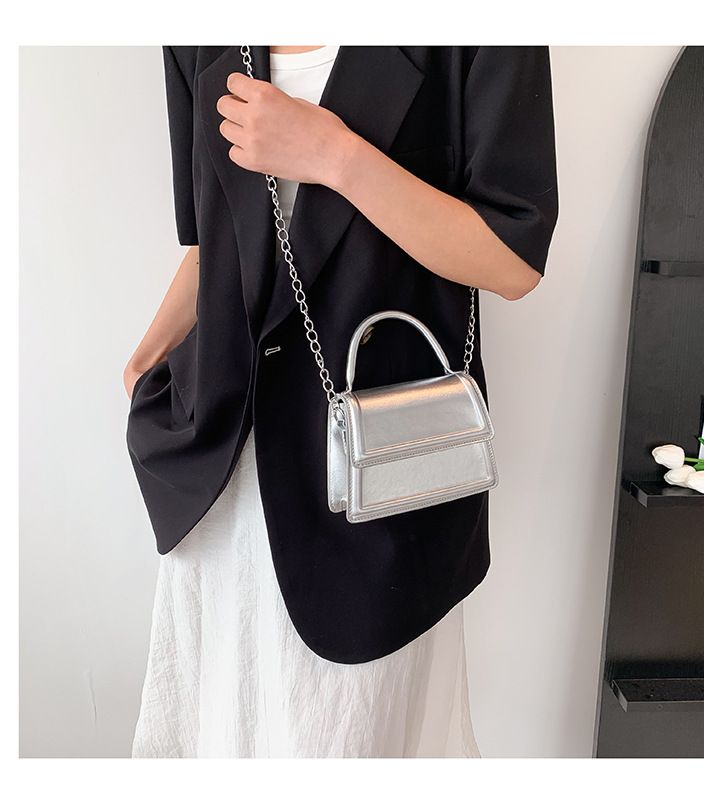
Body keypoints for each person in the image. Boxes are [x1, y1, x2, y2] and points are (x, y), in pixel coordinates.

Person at [126, 45, 558, 758]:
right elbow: (212, 240)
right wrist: (147, 359)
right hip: (218, 482)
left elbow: (511, 261)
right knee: (220, 733)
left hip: (375, 491)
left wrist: (335, 156)